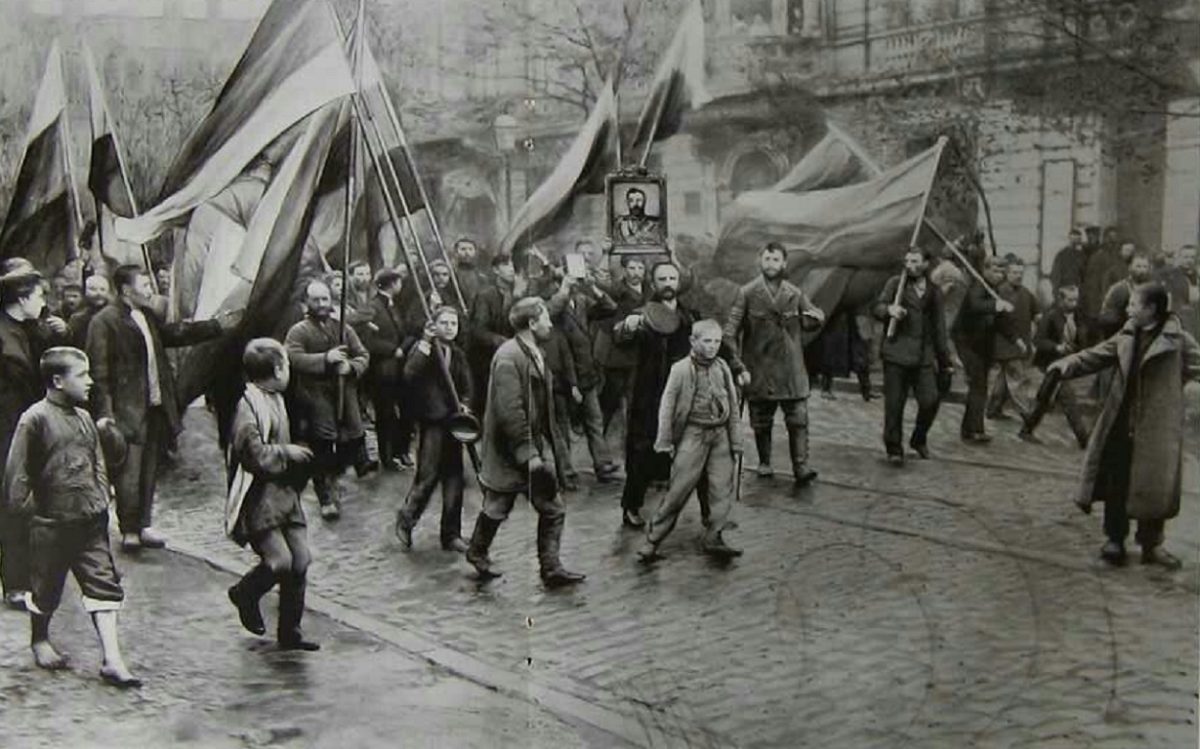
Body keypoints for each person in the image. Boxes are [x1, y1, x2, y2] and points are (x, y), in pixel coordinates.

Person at [3, 347, 140, 686]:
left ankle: (112, 659)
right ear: (58, 381)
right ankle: (40, 638)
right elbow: (16, 477)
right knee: (46, 589)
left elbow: (98, 463)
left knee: (104, 585)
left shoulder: (84, 418)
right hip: (50, 526)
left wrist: (100, 498)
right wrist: (35, 514)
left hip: (89, 522)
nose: (90, 381)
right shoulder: (33, 419)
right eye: (82, 375)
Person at [1047, 282, 1200, 569]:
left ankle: (1152, 545)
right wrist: (1066, 364)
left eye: (1133, 304)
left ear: (1151, 309)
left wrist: (1176, 397)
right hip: (1120, 420)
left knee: (1154, 487)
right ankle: (1115, 539)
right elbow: (1098, 354)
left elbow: (1197, 366)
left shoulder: (1178, 339)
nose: (1128, 309)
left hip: (1156, 429)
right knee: (1117, 481)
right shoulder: (1129, 332)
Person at [86, 264, 232, 551]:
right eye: (144, 284)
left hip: (155, 405)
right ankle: (129, 528)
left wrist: (215, 326)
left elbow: (173, 334)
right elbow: (98, 373)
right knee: (129, 471)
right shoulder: (104, 321)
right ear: (127, 290)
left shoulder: (147, 315)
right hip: (127, 410)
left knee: (149, 468)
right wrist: (105, 414)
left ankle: (144, 524)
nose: (150, 288)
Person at [465, 297, 585, 588]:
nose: (550, 324)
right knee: (497, 507)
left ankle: (551, 567)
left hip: (529, 449)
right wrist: (528, 454)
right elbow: (510, 411)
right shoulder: (509, 357)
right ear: (531, 324)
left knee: (552, 508)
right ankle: (477, 551)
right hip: (513, 452)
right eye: (545, 318)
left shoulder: (532, 352)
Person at [224, 339, 320, 650]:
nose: (289, 371)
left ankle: (290, 631)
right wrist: (287, 452)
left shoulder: (276, 397)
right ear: (277, 370)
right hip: (258, 498)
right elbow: (253, 456)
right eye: (287, 366)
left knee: (301, 558)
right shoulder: (248, 407)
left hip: (283, 493)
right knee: (280, 561)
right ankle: (245, 593)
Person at [637, 320, 744, 563]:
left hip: (720, 436)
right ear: (693, 341)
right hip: (692, 435)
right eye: (707, 341)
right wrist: (664, 441)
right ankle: (652, 540)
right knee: (678, 490)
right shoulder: (680, 369)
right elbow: (667, 406)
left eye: (717, 342)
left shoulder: (723, 367)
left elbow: (734, 407)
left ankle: (715, 535)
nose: (713, 347)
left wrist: (736, 441)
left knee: (721, 489)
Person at [723, 242, 822, 485]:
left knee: (798, 419)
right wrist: (737, 365)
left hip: (791, 369)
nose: (770, 264)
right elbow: (729, 333)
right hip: (759, 367)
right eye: (766, 259)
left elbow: (813, 317)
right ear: (760, 261)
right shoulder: (747, 293)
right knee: (761, 420)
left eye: (775, 260)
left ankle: (801, 466)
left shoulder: (794, 293)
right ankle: (765, 462)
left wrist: (815, 317)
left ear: (784, 263)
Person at [284, 279, 370, 520]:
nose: (321, 304)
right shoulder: (299, 330)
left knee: (350, 441)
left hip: (345, 394)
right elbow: (292, 357)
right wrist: (325, 358)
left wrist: (351, 367)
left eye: (325, 299)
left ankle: (335, 479)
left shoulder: (343, 328)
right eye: (316, 300)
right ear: (307, 303)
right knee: (322, 447)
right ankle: (326, 497)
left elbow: (363, 354)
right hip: (315, 396)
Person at [394, 307, 474, 553]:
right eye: (445, 323)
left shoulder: (457, 354)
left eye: (454, 323)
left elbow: (467, 384)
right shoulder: (425, 350)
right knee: (428, 476)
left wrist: (466, 403)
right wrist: (426, 341)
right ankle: (406, 520)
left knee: (454, 478)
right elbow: (409, 373)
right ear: (434, 325)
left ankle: (451, 534)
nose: (450, 327)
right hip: (432, 422)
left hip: (453, 421)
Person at [0, 268, 52, 609]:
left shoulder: (28, 329)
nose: (44, 302)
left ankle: (25, 579)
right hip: (7, 432)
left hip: (23, 429)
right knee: (13, 507)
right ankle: (15, 584)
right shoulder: (6, 339)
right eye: (39, 296)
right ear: (22, 299)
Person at [873, 247, 954, 464]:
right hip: (896, 353)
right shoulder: (895, 284)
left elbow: (939, 328)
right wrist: (889, 310)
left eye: (915, 261)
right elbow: (877, 307)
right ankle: (894, 448)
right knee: (894, 404)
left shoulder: (934, 291)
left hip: (923, 356)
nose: (909, 265)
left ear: (926, 264)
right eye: (907, 261)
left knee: (930, 400)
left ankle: (919, 439)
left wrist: (945, 361)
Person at [951, 256, 1014, 444]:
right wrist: (997, 305)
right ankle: (974, 430)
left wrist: (1015, 339)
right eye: (995, 270)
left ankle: (969, 428)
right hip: (967, 341)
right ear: (985, 270)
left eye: (1002, 271)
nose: (999, 274)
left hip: (982, 344)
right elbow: (975, 305)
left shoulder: (994, 290)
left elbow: (1000, 322)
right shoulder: (979, 286)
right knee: (978, 385)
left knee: (979, 386)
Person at [1022, 285, 1090, 448]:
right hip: (1051, 362)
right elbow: (1038, 340)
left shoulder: (1078, 316)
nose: (1074, 303)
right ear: (1061, 300)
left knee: (1046, 398)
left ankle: (1027, 428)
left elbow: (1083, 338)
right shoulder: (1051, 316)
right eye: (1070, 300)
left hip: (1067, 361)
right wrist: (1056, 347)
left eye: (1076, 300)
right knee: (1068, 398)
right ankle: (1084, 439)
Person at [360, 268, 412, 472]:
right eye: (399, 282)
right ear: (392, 284)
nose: (401, 286)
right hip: (382, 370)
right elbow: (366, 340)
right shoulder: (371, 307)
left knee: (404, 410)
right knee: (385, 413)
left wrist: (402, 347)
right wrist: (393, 350)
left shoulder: (392, 305)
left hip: (398, 368)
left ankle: (400, 452)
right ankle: (387, 457)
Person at [595, 255, 651, 441]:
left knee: (638, 402)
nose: (636, 273)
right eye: (632, 268)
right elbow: (601, 279)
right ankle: (598, 444)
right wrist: (605, 253)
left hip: (643, 355)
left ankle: (633, 445)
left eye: (640, 268)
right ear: (624, 270)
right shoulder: (616, 289)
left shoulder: (651, 290)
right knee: (610, 401)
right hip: (619, 356)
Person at [986, 255, 1039, 422]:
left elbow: (1037, 313)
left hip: (1021, 342)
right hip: (1006, 343)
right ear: (1007, 273)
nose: (1018, 276)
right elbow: (997, 321)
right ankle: (1027, 415)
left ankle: (993, 409)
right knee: (1018, 379)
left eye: (1020, 273)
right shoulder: (999, 292)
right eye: (1015, 272)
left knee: (1003, 378)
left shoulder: (1026, 293)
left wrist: (1038, 324)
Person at [1097, 252, 1154, 337]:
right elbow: (1105, 317)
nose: (1142, 270)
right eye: (1138, 266)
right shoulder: (1119, 289)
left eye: (1145, 267)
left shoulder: (1153, 289)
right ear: (1130, 268)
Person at [1156, 244, 1198, 339]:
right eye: (1186, 257)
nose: (1189, 260)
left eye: (1192, 257)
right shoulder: (1170, 276)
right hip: (1179, 318)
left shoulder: (1197, 275)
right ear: (1179, 257)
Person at [69, 274, 111, 349]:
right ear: (85, 292)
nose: (98, 293)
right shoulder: (77, 318)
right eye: (93, 289)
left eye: (102, 289)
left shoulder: (114, 315)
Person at [450, 237, 488, 313]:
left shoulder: (482, 277)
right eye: (463, 249)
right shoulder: (451, 275)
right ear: (456, 252)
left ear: (475, 252)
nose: (467, 253)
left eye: (470, 249)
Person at [1049, 228, 1087, 294]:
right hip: (1064, 288)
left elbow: (1084, 274)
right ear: (1069, 239)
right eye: (1073, 240)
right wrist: (1056, 289)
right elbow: (1055, 274)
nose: (1074, 242)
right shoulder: (1061, 255)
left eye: (1077, 240)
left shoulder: (1082, 256)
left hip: (1077, 289)